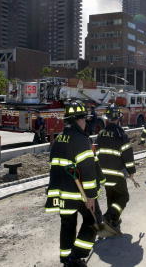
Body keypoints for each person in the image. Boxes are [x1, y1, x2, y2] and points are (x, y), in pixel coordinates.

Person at [45, 101, 102, 267]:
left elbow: (53, 165)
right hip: (79, 194)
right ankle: (76, 257)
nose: (86, 122)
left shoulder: (58, 139)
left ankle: (66, 258)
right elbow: (89, 171)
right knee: (93, 220)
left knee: (67, 224)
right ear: (79, 120)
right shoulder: (81, 140)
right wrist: (91, 196)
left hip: (61, 193)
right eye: (84, 119)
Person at [96, 105, 135, 235]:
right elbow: (128, 156)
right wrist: (131, 171)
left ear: (107, 119)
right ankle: (108, 217)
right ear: (118, 118)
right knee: (124, 197)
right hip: (117, 174)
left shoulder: (100, 134)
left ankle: (113, 222)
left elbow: (97, 153)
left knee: (111, 198)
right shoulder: (121, 134)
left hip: (103, 174)